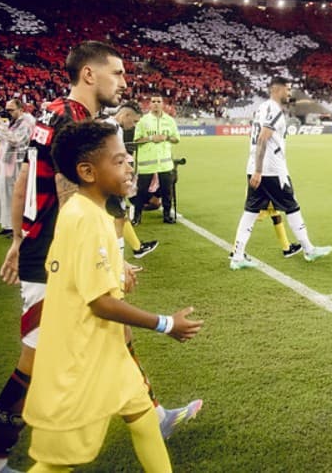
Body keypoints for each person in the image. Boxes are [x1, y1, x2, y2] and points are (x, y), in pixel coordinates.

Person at [0, 42, 199, 473]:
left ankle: (150, 415)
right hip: (56, 262)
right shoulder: (74, 123)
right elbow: (69, 197)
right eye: (117, 73)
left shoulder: (51, 112)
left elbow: (26, 177)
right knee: (34, 360)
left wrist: (20, 237)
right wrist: (107, 259)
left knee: (119, 340)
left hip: (44, 249)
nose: (124, 81)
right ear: (90, 75)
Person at [24, 120, 203, 472]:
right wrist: (167, 324)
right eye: (119, 161)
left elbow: (71, 270)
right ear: (87, 171)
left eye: (128, 159)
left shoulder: (83, 212)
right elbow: (99, 303)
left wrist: (114, 271)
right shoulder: (87, 220)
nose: (130, 166)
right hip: (81, 359)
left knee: (143, 415)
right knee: (56, 464)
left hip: (108, 352)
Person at [229, 78, 332, 269]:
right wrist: (260, 171)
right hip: (271, 170)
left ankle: (237, 256)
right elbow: (262, 139)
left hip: (255, 167)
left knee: (250, 212)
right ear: (278, 89)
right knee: (292, 207)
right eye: (288, 89)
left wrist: (255, 169)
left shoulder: (262, 108)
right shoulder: (274, 111)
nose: (289, 93)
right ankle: (309, 250)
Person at [106, 103, 158, 261]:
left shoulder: (112, 125)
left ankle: (136, 248)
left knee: (120, 215)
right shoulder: (112, 127)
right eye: (134, 121)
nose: (134, 126)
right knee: (118, 219)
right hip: (110, 179)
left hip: (108, 179)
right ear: (126, 115)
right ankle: (118, 262)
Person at [132, 95, 180, 225]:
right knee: (141, 193)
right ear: (149, 104)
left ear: (163, 104)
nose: (156, 104)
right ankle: (137, 217)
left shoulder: (169, 121)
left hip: (165, 164)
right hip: (147, 165)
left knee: (167, 192)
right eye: (153, 101)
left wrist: (166, 137)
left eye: (159, 101)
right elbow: (136, 140)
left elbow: (176, 139)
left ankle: (167, 216)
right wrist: (152, 138)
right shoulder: (143, 121)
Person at [0, 99, 35, 236]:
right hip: (8, 162)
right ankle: (8, 224)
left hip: (18, 162)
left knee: (16, 193)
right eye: (7, 110)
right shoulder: (14, 121)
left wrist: (1, 128)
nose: (8, 113)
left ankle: (17, 225)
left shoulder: (27, 122)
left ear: (21, 109)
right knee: (5, 193)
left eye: (11, 110)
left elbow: (16, 140)